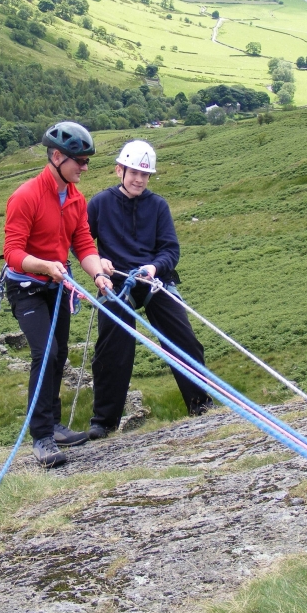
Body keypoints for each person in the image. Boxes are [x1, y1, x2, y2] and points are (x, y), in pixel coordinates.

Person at [3, 121, 112, 468]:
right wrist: (46, 266)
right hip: (26, 287)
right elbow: (12, 253)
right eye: (79, 160)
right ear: (56, 156)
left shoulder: (76, 200)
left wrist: (97, 275)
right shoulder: (26, 196)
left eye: (86, 161)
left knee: (60, 352)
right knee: (45, 352)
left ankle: (54, 423)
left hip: (56, 284)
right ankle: (41, 438)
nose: (84, 167)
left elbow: (83, 242)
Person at [87, 140, 212, 439]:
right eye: (134, 173)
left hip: (154, 281)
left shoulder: (158, 206)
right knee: (113, 348)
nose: (139, 180)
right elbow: (82, 242)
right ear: (120, 170)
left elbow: (170, 249)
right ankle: (104, 423)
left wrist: (154, 268)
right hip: (117, 283)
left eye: (145, 175)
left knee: (185, 341)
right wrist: (98, 261)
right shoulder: (99, 204)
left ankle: (202, 407)